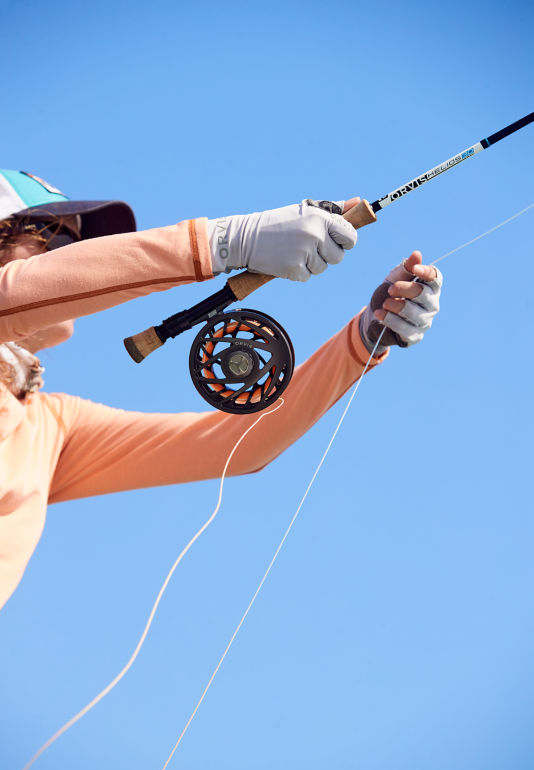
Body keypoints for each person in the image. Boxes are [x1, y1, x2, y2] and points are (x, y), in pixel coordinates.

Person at [0, 169, 442, 611]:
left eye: (81, 249)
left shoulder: (50, 429)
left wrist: (365, 338)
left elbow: (236, 445)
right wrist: (228, 242)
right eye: (53, 241)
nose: (71, 258)